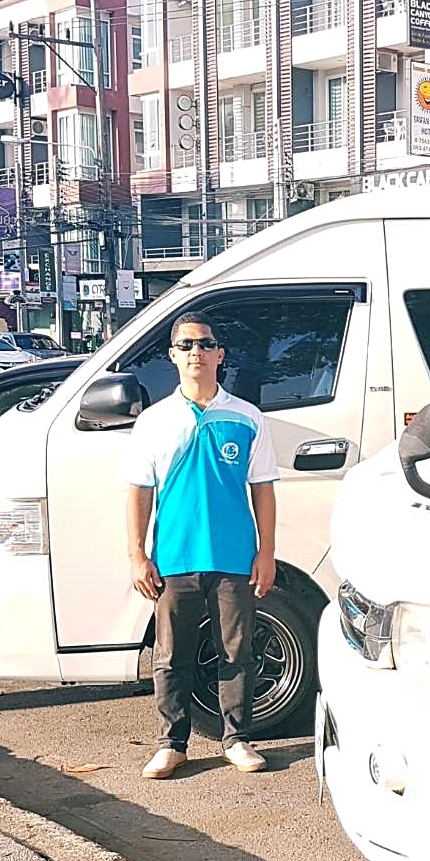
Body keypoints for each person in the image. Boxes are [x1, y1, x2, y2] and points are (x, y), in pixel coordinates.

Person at [126, 312, 279, 779]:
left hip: (234, 556)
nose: (197, 352)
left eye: (205, 344)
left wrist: (266, 551)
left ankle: (237, 738)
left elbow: (264, 489)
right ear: (173, 355)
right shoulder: (154, 421)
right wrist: (137, 553)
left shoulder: (247, 418)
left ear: (220, 355)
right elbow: (139, 490)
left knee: (236, 652)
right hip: (173, 558)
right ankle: (172, 743)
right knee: (171, 655)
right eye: (186, 345)